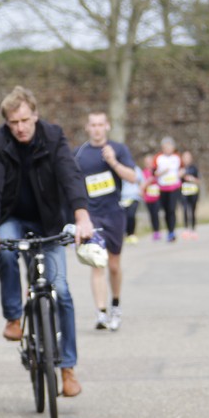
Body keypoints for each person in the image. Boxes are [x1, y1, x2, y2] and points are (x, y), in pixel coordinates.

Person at [0, 86, 94, 397]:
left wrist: (81, 216)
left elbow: (70, 175)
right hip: (12, 218)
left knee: (63, 292)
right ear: (7, 122)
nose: (20, 128)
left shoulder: (53, 136)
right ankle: (14, 317)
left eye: (25, 120)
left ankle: (67, 369)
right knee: (4, 250)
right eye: (13, 123)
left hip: (48, 221)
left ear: (35, 115)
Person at [71, 111, 136, 331]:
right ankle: (101, 312)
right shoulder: (79, 154)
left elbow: (132, 177)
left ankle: (115, 305)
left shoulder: (118, 149)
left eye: (100, 124)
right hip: (91, 216)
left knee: (114, 265)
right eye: (93, 125)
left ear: (107, 126)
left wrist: (113, 162)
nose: (97, 129)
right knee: (97, 262)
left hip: (114, 213)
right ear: (87, 128)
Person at [149, 136, 183, 242]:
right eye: (165, 147)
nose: (168, 149)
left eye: (169, 146)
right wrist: (161, 172)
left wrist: (181, 173)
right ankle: (168, 230)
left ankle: (172, 232)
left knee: (172, 209)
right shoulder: (158, 158)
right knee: (166, 210)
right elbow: (153, 172)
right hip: (163, 187)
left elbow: (183, 168)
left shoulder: (177, 157)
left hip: (174, 187)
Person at [121, 158, 144, 245]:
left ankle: (131, 234)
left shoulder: (136, 168)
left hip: (134, 196)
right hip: (122, 198)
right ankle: (125, 234)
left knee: (131, 215)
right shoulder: (118, 168)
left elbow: (142, 181)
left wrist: (141, 190)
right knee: (124, 217)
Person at [180, 150, 201, 239]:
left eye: (188, 157)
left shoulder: (194, 168)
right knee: (185, 210)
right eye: (185, 157)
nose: (186, 159)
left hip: (193, 192)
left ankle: (193, 229)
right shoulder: (180, 168)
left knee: (192, 211)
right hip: (184, 192)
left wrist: (192, 179)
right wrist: (181, 174)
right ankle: (186, 229)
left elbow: (199, 181)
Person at [141, 154, 162, 240]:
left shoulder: (156, 171)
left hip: (157, 197)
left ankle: (158, 230)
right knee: (151, 214)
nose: (148, 164)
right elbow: (142, 185)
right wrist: (148, 181)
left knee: (156, 213)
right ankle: (154, 231)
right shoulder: (143, 172)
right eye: (146, 162)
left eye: (149, 162)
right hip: (148, 197)